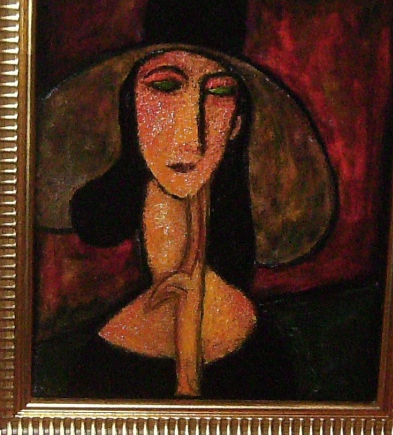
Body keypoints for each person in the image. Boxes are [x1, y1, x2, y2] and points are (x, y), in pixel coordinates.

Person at [37, 44, 336, 400]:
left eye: (220, 93)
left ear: (237, 124)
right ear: (130, 107)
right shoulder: (80, 351)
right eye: (165, 86)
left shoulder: (261, 345)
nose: (191, 135)